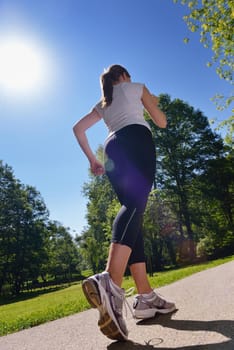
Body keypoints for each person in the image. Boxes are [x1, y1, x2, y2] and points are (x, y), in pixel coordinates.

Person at [73, 64, 176, 342]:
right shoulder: (136, 87)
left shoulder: (103, 102)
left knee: (134, 216)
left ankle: (145, 298)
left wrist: (93, 161)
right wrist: (153, 103)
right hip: (136, 140)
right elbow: (162, 121)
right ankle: (110, 282)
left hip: (111, 148)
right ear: (124, 76)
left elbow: (78, 128)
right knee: (134, 207)